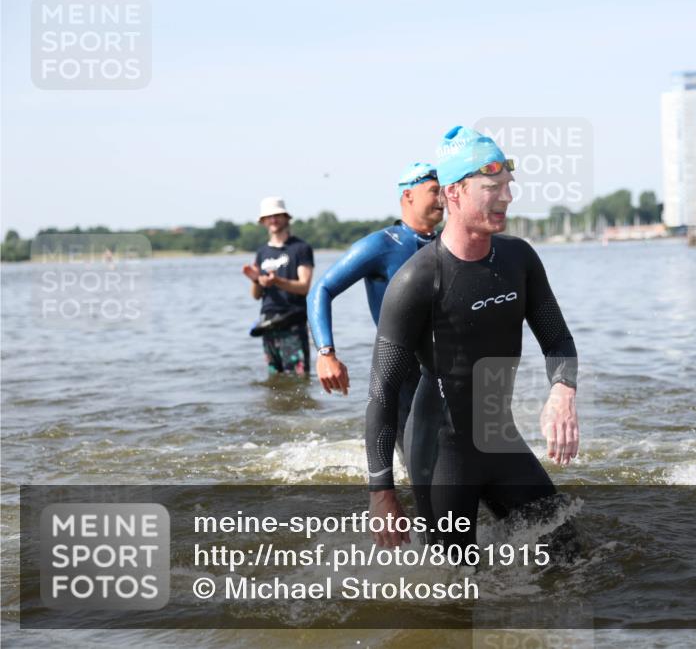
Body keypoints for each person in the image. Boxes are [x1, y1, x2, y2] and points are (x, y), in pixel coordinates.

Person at [365, 126, 579, 549]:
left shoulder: (519, 259)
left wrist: (562, 391)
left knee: (566, 549)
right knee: (455, 587)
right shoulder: (416, 280)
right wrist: (381, 491)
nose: (506, 197)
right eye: (492, 187)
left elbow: (557, 340)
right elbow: (383, 391)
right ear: (455, 192)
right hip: (441, 452)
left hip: (500, 442)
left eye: (508, 186)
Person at [307, 162, 442, 395]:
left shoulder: (449, 243)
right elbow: (321, 289)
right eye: (434, 191)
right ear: (408, 195)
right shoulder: (382, 245)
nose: (442, 198)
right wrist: (326, 353)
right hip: (401, 375)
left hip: (446, 370)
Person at [242, 197, 314, 376]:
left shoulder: (301, 248)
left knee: (299, 377)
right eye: (269, 217)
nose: (273, 220)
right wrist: (256, 280)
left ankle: (299, 405)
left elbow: (304, 287)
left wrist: (277, 281)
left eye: (277, 215)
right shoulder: (262, 252)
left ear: (286, 217)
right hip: (268, 321)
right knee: (274, 376)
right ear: (263, 221)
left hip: (293, 319)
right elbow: (256, 296)